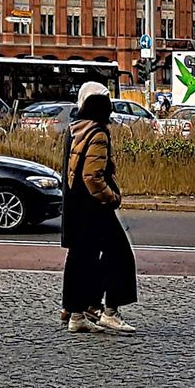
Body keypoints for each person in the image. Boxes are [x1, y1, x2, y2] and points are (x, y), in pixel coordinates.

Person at [60, 81, 138, 334]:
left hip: (76, 205)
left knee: (82, 258)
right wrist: (111, 197)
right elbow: (92, 176)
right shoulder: (98, 133)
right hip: (94, 206)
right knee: (121, 254)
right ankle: (110, 311)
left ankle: (77, 311)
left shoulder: (74, 129)